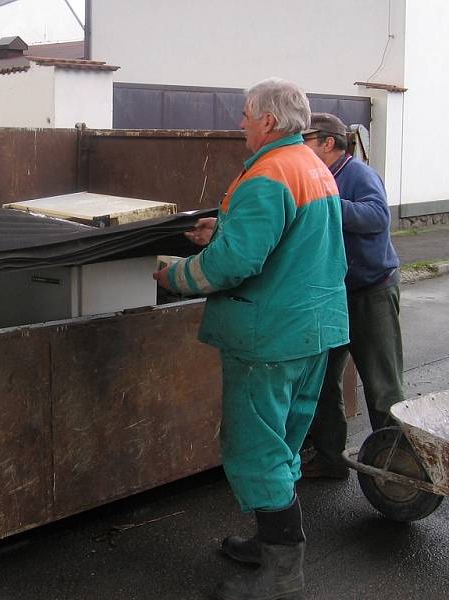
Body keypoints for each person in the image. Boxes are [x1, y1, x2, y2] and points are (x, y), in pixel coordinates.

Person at [154, 78, 348, 600]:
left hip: (270, 337)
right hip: (314, 329)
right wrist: (225, 226)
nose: (240, 122)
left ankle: (282, 579)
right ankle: (272, 547)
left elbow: (237, 264)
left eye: (244, 114)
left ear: (267, 120)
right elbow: (290, 239)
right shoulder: (312, 166)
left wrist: (174, 274)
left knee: (257, 449)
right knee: (283, 442)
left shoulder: (268, 174)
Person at [301, 112, 403, 479]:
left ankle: (395, 469)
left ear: (328, 142)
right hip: (334, 296)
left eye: (305, 140)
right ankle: (331, 459)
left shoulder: (358, 174)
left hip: (371, 293)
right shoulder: (319, 177)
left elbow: (377, 217)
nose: (299, 147)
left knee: (381, 386)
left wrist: (324, 205)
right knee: (322, 380)